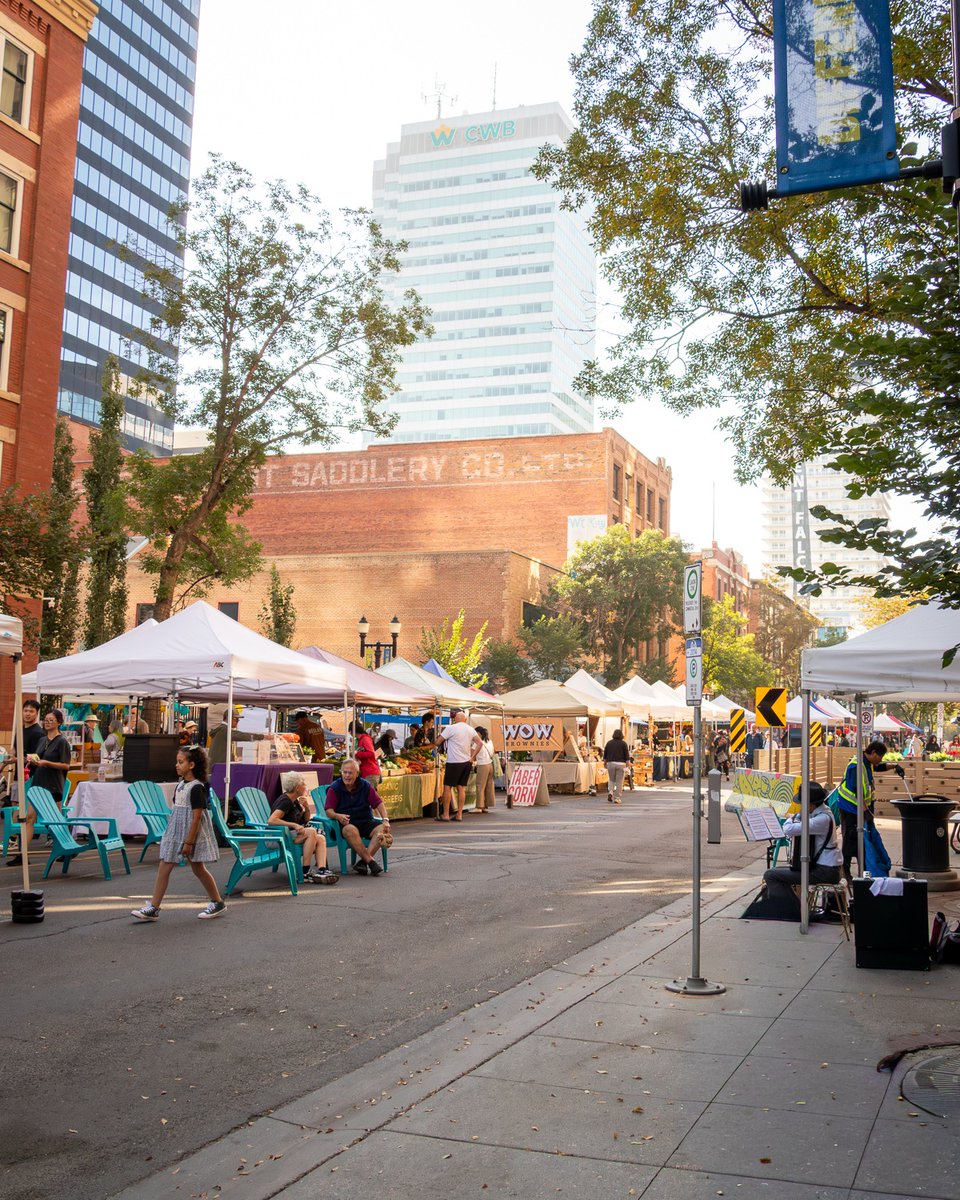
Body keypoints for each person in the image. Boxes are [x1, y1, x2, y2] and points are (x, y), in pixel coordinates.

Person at [131, 745, 225, 921]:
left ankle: (217, 901)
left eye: (180, 762)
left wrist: (189, 842)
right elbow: (178, 810)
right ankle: (154, 907)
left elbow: (197, 818)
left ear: (191, 765)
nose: (177, 765)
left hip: (191, 833)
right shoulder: (181, 785)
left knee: (199, 869)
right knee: (165, 865)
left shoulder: (197, 788)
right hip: (176, 831)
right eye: (177, 762)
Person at [6, 707, 73, 867]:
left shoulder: (62, 742)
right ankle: (22, 854)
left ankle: (67, 848)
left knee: (55, 820)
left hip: (54, 786)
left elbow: (65, 766)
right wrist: (17, 760)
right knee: (29, 818)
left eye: (51, 720)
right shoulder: (42, 740)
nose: (47, 723)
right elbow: (33, 758)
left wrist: (46, 763)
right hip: (38, 784)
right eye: (46, 720)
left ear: (59, 723)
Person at [835, 739, 904, 882]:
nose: (880, 760)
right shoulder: (856, 766)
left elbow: (878, 767)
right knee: (850, 839)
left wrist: (895, 766)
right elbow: (857, 791)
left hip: (859, 809)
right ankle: (845, 872)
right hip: (850, 808)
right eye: (880, 756)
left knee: (863, 841)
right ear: (873, 753)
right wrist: (866, 812)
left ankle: (864, 872)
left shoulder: (867, 762)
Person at [761, 782, 842, 902]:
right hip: (825, 868)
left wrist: (792, 817)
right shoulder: (823, 812)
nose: (800, 806)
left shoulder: (822, 819)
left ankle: (790, 908)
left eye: (802, 804)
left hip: (825, 871)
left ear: (810, 805)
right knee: (777, 871)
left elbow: (788, 829)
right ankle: (793, 904)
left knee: (771, 875)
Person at [268, 772, 337, 884]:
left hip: (289, 835)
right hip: (277, 837)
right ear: (297, 787)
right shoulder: (285, 801)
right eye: (303, 783)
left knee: (320, 838)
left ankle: (322, 870)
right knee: (311, 832)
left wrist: (306, 808)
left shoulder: (294, 800)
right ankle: (304, 871)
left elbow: (304, 821)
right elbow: (271, 820)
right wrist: (294, 825)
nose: (305, 785)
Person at [324, 758, 390, 875]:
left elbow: (378, 803)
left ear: (357, 773)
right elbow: (329, 811)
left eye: (350, 773)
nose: (347, 776)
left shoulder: (365, 785)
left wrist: (385, 820)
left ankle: (364, 862)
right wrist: (337, 816)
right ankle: (370, 861)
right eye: (344, 772)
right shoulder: (335, 788)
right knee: (350, 830)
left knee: (382, 829)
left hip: (365, 821)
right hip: (346, 823)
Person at [438, 711, 481, 821]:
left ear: (455, 719)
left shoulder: (450, 728)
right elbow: (480, 743)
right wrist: (472, 757)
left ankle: (446, 814)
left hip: (453, 762)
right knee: (461, 787)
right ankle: (459, 814)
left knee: (447, 787)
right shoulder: (470, 729)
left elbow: (438, 742)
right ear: (465, 719)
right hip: (466, 762)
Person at [602, 728, 631, 804]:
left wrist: (605, 763)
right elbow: (626, 756)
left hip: (610, 764)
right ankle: (617, 798)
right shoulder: (623, 743)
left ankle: (610, 792)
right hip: (621, 765)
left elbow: (605, 755)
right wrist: (628, 766)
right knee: (619, 782)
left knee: (611, 779)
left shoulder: (609, 743)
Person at [349, 720, 381, 785]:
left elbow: (371, 753)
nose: (349, 733)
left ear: (353, 730)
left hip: (370, 773)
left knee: (369, 794)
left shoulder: (365, 739)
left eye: (350, 731)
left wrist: (356, 754)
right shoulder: (360, 739)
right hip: (366, 772)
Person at [474, 725, 495, 812]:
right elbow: (493, 752)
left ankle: (479, 807)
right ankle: (486, 805)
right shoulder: (489, 741)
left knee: (480, 786)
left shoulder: (477, 742)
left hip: (482, 765)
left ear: (478, 733)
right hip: (490, 765)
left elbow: (472, 754)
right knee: (488, 786)